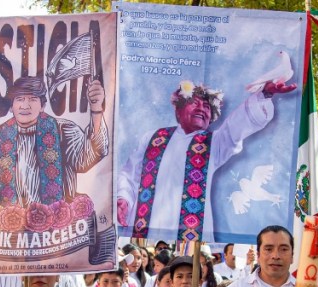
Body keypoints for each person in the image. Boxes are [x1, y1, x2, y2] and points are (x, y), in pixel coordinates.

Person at [117, 80, 295, 243]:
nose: (202, 108)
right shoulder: (153, 138)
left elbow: (236, 125)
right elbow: (129, 173)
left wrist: (265, 95)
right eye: (195, 103)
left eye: (207, 107)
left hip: (189, 238)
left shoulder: (215, 143)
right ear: (178, 110)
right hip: (146, 230)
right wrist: (123, 198)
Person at [0, 76, 108, 207]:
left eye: (32, 99)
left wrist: (96, 110)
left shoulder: (63, 130)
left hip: (58, 225)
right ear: (11, 106)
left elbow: (90, 156)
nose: (25, 106)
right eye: (19, 99)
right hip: (9, 225)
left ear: (42, 106)